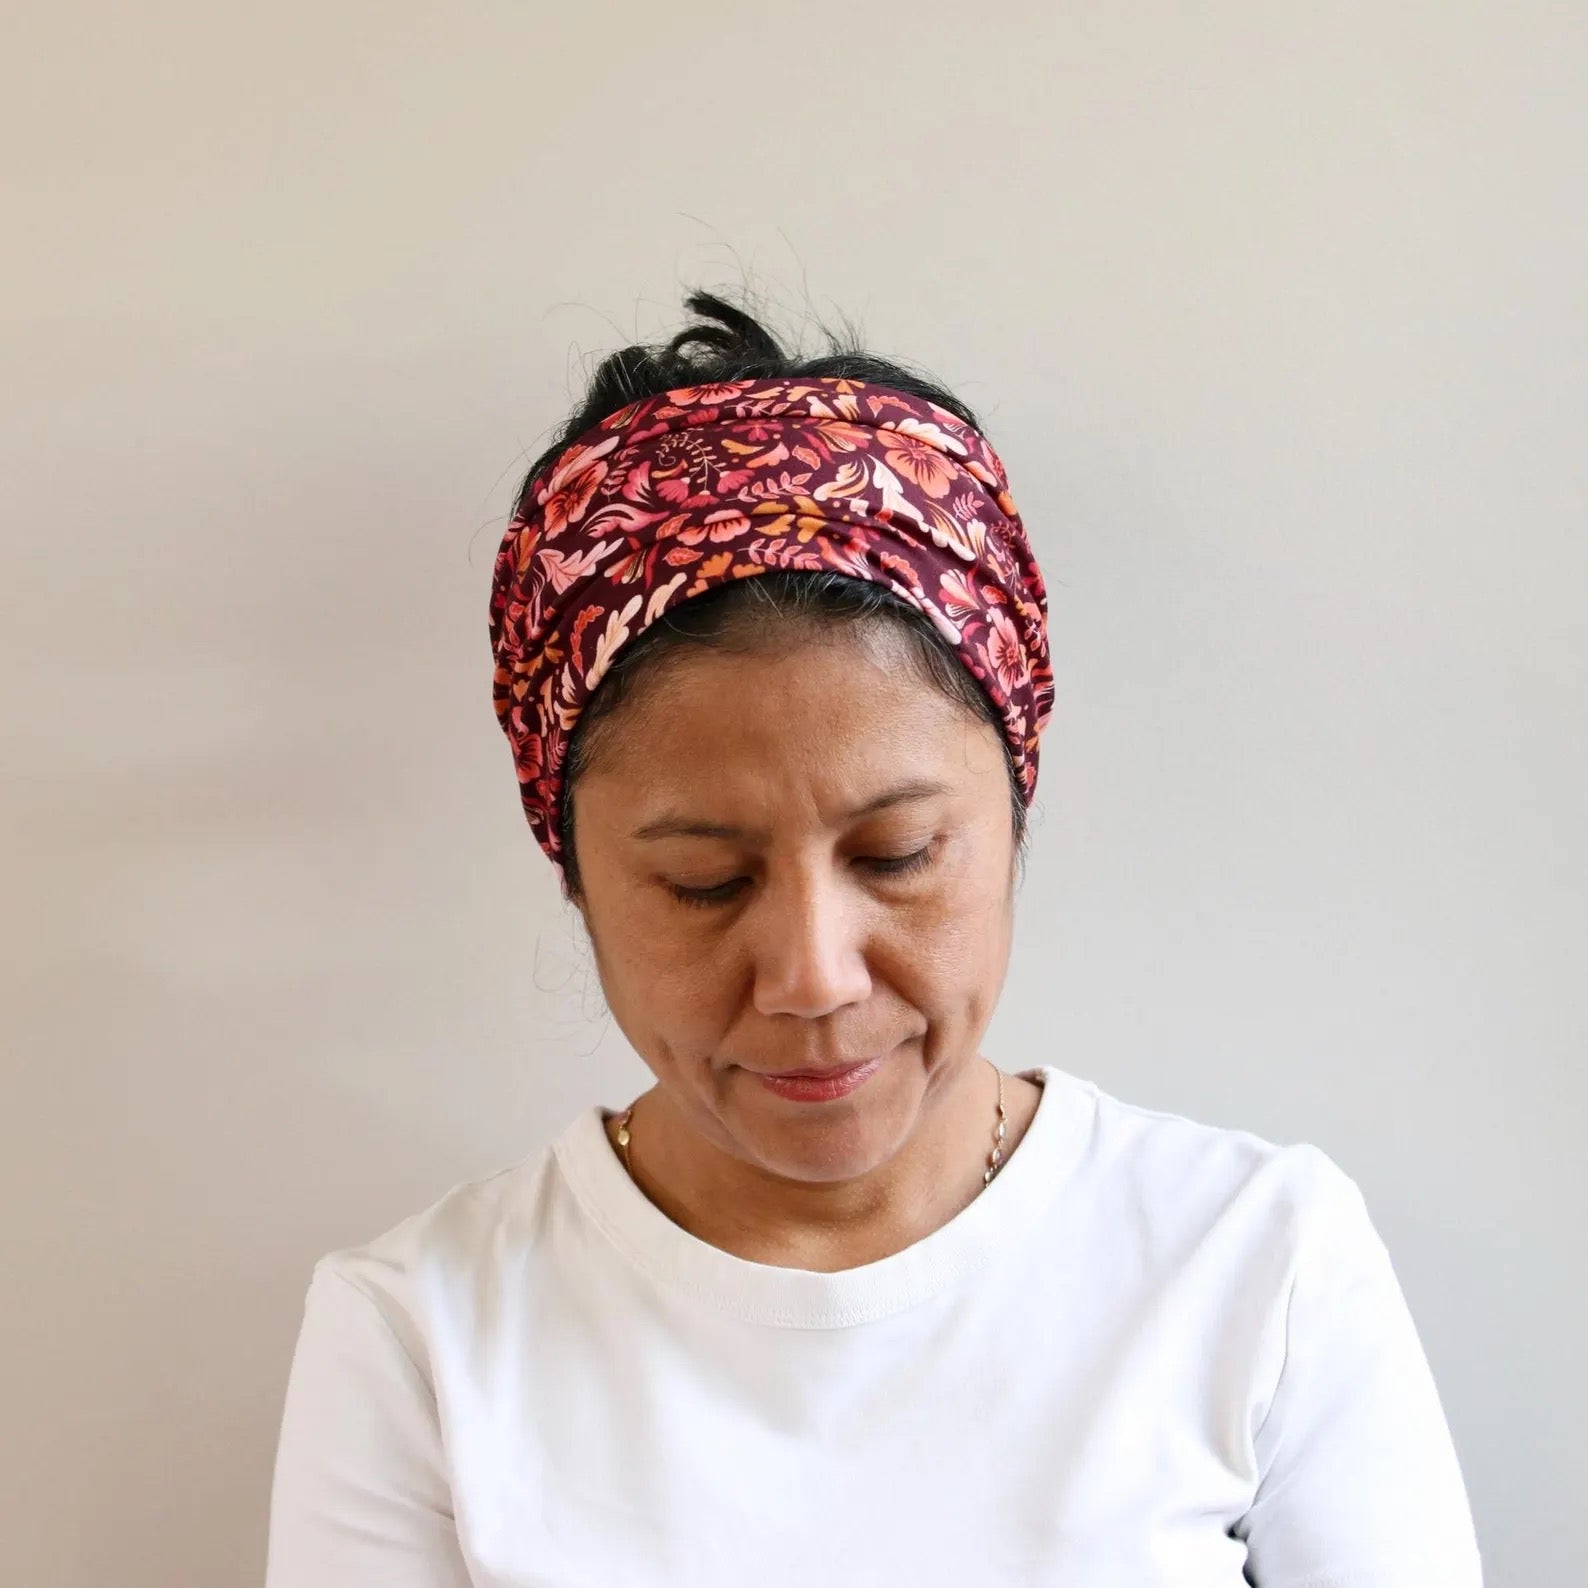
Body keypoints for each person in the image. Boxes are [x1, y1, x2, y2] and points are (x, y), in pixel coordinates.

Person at [263, 291, 1484, 1586]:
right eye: (702, 882)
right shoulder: (419, 1339)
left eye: (896, 858)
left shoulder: (1258, 1263)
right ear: (572, 875)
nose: (812, 978)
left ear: (1015, 817)